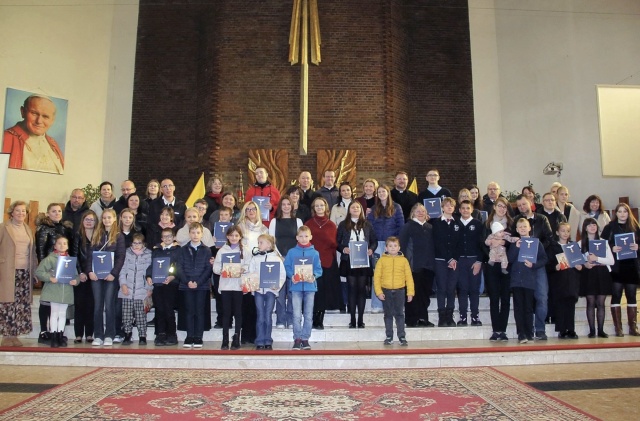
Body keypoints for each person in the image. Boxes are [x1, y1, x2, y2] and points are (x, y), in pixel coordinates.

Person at [513, 194, 553, 340]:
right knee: (526, 302)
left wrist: (535, 249)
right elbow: (513, 240)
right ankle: (525, 331)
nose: (522, 207)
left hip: (537, 263)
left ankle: (540, 329)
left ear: (530, 202)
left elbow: (549, 238)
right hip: (523, 267)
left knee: (542, 297)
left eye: (524, 204)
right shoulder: (516, 220)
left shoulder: (542, 219)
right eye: (519, 206)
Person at [86, 209, 126, 347]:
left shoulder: (119, 236)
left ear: (115, 219)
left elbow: (121, 257)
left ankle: (109, 334)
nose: (106, 220)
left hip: (110, 276)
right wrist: (89, 271)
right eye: (104, 218)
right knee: (98, 306)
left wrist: (113, 273)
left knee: (109, 306)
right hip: (96, 276)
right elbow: (90, 255)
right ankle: (98, 335)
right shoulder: (96, 234)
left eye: (109, 217)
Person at [0, 201, 37, 347]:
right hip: (7, 271)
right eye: (18, 210)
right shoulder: (3, 227)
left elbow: (32, 252)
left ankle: (15, 334)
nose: (21, 213)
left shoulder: (28, 229)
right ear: (11, 212)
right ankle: (7, 335)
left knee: (21, 304)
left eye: (23, 211)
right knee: (7, 303)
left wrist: (34, 270)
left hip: (24, 272)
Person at [35, 202, 72, 344]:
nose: (57, 213)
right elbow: (41, 249)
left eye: (59, 211)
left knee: (59, 305)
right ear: (48, 213)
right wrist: (46, 269)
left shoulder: (64, 228)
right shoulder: (44, 228)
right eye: (54, 211)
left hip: (62, 269)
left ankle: (57, 332)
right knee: (46, 303)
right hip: (50, 269)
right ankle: (44, 331)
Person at [601, 203, 640, 337]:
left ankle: (633, 327)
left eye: (625, 211)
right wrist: (611, 247)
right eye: (620, 211)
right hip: (616, 267)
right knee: (616, 295)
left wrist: (638, 247)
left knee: (631, 295)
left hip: (632, 266)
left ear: (629, 213)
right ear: (615, 213)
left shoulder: (635, 227)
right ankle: (618, 328)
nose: (622, 214)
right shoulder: (609, 227)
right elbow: (602, 245)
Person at [337, 201, 377, 328]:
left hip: (363, 261)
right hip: (349, 260)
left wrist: (371, 249)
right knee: (352, 289)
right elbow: (337, 242)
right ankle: (352, 319)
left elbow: (374, 241)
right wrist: (343, 249)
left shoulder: (367, 224)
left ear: (361, 210)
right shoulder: (343, 224)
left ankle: (360, 319)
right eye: (353, 207)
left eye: (358, 207)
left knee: (361, 289)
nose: (355, 209)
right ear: (349, 210)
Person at [508, 218, 548, 344]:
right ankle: (521, 333)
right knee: (518, 307)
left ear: (529, 228)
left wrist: (533, 265)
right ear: (517, 230)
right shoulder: (514, 244)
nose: (523, 229)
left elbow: (544, 259)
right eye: (520, 227)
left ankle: (529, 333)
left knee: (528, 307)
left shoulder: (536, 243)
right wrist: (516, 248)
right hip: (516, 280)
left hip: (529, 280)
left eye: (525, 226)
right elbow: (509, 259)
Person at [2, 94, 64, 173]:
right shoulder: (5, 138)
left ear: (52, 120)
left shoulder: (53, 144)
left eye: (45, 116)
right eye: (34, 113)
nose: (39, 121)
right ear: (23, 112)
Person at [367, 184, 404, 313]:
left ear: (388, 193)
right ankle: (376, 305)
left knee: (392, 273)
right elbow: (369, 227)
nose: (382, 194)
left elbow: (401, 226)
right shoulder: (374, 209)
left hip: (391, 245)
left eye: (384, 191)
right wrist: (372, 244)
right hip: (377, 245)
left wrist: (395, 243)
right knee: (377, 274)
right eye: (379, 192)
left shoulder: (396, 207)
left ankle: (392, 305)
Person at [35, 235, 78, 347]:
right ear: (55, 246)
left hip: (66, 291)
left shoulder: (70, 260)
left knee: (63, 314)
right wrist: (50, 278)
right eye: (59, 243)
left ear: (67, 246)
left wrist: (75, 281)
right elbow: (39, 272)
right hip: (53, 291)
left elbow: (76, 275)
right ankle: (54, 337)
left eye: (64, 243)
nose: (62, 245)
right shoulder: (49, 259)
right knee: (54, 313)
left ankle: (60, 335)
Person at [284, 226, 322, 350]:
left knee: (308, 314)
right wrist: (292, 276)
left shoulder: (315, 253)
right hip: (296, 287)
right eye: (301, 236)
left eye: (306, 236)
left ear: (310, 237)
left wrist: (314, 276)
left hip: (310, 288)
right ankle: (297, 338)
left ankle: (305, 339)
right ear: (297, 238)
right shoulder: (291, 252)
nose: (303, 239)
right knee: (296, 314)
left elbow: (319, 270)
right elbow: (286, 266)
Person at [305, 197, 340, 328]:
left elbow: (334, 244)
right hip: (311, 262)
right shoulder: (308, 224)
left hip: (327, 262)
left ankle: (319, 319)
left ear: (326, 208)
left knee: (323, 292)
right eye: (317, 206)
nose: (319, 208)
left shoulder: (331, 225)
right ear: (313, 208)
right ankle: (312, 317)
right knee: (313, 291)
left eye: (322, 205)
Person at [269, 195, 303, 328]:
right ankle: (281, 320)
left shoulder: (298, 221)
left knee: (293, 291)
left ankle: (291, 319)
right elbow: (271, 241)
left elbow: (300, 240)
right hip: (278, 259)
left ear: (292, 206)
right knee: (280, 291)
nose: (286, 207)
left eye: (288, 204)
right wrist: (280, 257)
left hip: (294, 259)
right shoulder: (274, 222)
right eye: (283, 204)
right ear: (280, 207)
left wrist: (291, 257)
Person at [177, 222, 213, 348]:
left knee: (199, 311)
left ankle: (198, 337)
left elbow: (208, 269)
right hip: (186, 285)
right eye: (193, 232)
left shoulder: (207, 250)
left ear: (202, 234)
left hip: (201, 286)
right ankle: (189, 336)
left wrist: (198, 282)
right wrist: (187, 281)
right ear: (189, 234)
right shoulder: (183, 250)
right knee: (189, 311)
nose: (195, 235)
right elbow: (179, 267)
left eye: (198, 232)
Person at [399, 203, 435, 328]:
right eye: (418, 211)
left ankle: (423, 318)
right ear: (412, 213)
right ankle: (411, 319)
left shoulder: (430, 227)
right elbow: (402, 246)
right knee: (412, 293)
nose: (421, 213)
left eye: (423, 211)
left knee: (425, 293)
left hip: (428, 266)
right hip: (413, 266)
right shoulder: (408, 227)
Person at [374, 236, 414, 346]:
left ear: (399, 248)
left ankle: (402, 336)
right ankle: (389, 336)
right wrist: (378, 292)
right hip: (386, 291)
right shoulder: (381, 260)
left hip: (400, 291)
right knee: (388, 314)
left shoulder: (404, 261)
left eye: (395, 246)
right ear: (386, 248)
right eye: (390, 246)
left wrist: (410, 292)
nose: (393, 248)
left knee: (399, 314)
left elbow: (409, 277)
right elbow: (377, 277)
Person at [483, 197, 513, 341]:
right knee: (494, 298)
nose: (502, 209)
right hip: (491, 265)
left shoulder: (511, 225)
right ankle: (496, 330)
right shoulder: (487, 224)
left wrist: (503, 242)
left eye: (504, 207)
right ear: (494, 207)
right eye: (499, 206)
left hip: (506, 265)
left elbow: (514, 243)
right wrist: (491, 247)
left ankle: (503, 330)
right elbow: (482, 243)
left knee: (505, 298)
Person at [247, 234, 285, 350]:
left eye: (261, 243)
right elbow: (250, 272)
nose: (258, 245)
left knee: (268, 315)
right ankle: (259, 341)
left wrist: (277, 286)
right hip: (258, 291)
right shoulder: (255, 259)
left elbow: (282, 275)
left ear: (269, 244)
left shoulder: (276, 259)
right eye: (258, 243)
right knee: (260, 315)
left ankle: (268, 340)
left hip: (271, 292)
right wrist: (254, 285)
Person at [213, 225, 248, 350]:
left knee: (238, 313)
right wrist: (223, 270)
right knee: (226, 313)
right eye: (231, 235)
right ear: (227, 236)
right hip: (226, 286)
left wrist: (243, 269)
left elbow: (249, 265)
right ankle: (225, 339)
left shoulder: (245, 250)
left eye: (236, 235)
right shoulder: (222, 250)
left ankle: (236, 338)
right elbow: (216, 267)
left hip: (238, 286)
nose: (234, 238)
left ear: (240, 237)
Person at [578, 217, 613, 338]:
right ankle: (592, 331)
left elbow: (611, 261)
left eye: (594, 225)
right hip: (588, 274)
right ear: (585, 228)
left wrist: (597, 259)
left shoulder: (603, 242)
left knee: (601, 303)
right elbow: (577, 261)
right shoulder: (580, 243)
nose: (592, 227)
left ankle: (601, 330)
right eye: (589, 225)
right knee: (590, 302)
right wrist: (585, 264)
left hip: (602, 274)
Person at [546, 222, 581, 339]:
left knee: (571, 305)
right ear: (557, 232)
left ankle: (571, 329)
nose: (565, 233)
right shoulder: (552, 247)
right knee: (560, 305)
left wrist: (579, 266)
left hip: (572, 279)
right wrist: (555, 267)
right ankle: (562, 330)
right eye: (562, 231)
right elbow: (548, 265)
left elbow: (579, 262)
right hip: (558, 281)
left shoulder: (573, 246)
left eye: (567, 231)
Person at [146, 227, 180, 346]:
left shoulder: (178, 250)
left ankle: (171, 334)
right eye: (164, 236)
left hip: (171, 284)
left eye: (169, 236)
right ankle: (160, 334)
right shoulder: (157, 251)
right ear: (161, 238)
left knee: (168, 309)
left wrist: (173, 276)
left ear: (174, 237)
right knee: (159, 309)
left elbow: (179, 266)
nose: (167, 238)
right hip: (158, 284)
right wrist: (149, 276)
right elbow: (151, 265)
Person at [430, 197, 461, 327]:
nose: (449, 207)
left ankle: (450, 315)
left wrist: (454, 258)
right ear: (442, 207)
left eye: (451, 205)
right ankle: (442, 317)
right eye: (447, 205)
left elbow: (459, 243)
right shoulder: (436, 223)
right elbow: (438, 242)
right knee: (442, 288)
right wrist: (448, 259)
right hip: (440, 260)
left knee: (451, 288)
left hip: (455, 261)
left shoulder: (458, 222)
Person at [118, 233, 153, 345]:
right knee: (126, 315)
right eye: (134, 243)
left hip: (142, 291)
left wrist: (149, 288)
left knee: (141, 315)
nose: (137, 245)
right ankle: (127, 334)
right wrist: (123, 284)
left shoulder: (149, 254)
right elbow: (122, 271)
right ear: (131, 244)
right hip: (127, 290)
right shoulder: (126, 253)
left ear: (143, 244)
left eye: (139, 243)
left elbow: (150, 273)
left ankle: (142, 336)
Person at [456, 200, 485, 326]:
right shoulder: (455, 223)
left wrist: (479, 261)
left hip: (474, 261)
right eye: (463, 208)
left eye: (468, 208)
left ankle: (475, 316)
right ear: (459, 210)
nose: (465, 210)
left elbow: (482, 244)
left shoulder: (478, 224)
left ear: (472, 210)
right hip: (460, 261)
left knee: (474, 289)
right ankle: (463, 317)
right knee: (462, 289)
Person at [71, 210, 97, 344]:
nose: (89, 222)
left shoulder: (99, 235)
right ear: (82, 221)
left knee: (91, 305)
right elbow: (74, 255)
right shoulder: (77, 235)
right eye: (87, 219)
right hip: (80, 275)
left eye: (92, 220)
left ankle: (90, 334)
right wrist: (80, 272)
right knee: (80, 305)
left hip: (94, 275)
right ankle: (78, 334)